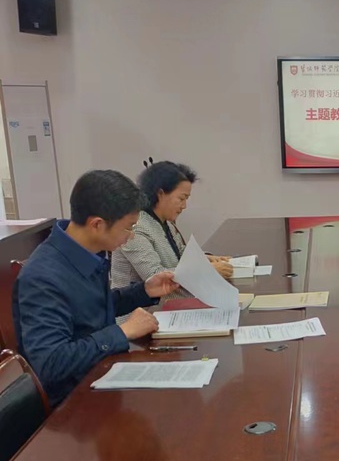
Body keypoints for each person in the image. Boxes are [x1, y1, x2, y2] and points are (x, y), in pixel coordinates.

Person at [13, 169, 179, 406]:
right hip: (75, 402)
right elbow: (51, 363)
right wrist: (122, 332)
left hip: (104, 373)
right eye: (128, 228)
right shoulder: (42, 278)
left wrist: (144, 291)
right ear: (97, 224)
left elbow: (90, 307)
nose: (131, 236)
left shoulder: (85, 252)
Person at [111, 161, 232, 295]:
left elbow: (180, 253)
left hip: (171, 300)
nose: (184, 206)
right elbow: (154, 275)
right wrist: (206, 270)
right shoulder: (135, 228)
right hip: (142, 306)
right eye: (181, 198)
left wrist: (205, 259)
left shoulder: (165, 222)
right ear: (160, 193)